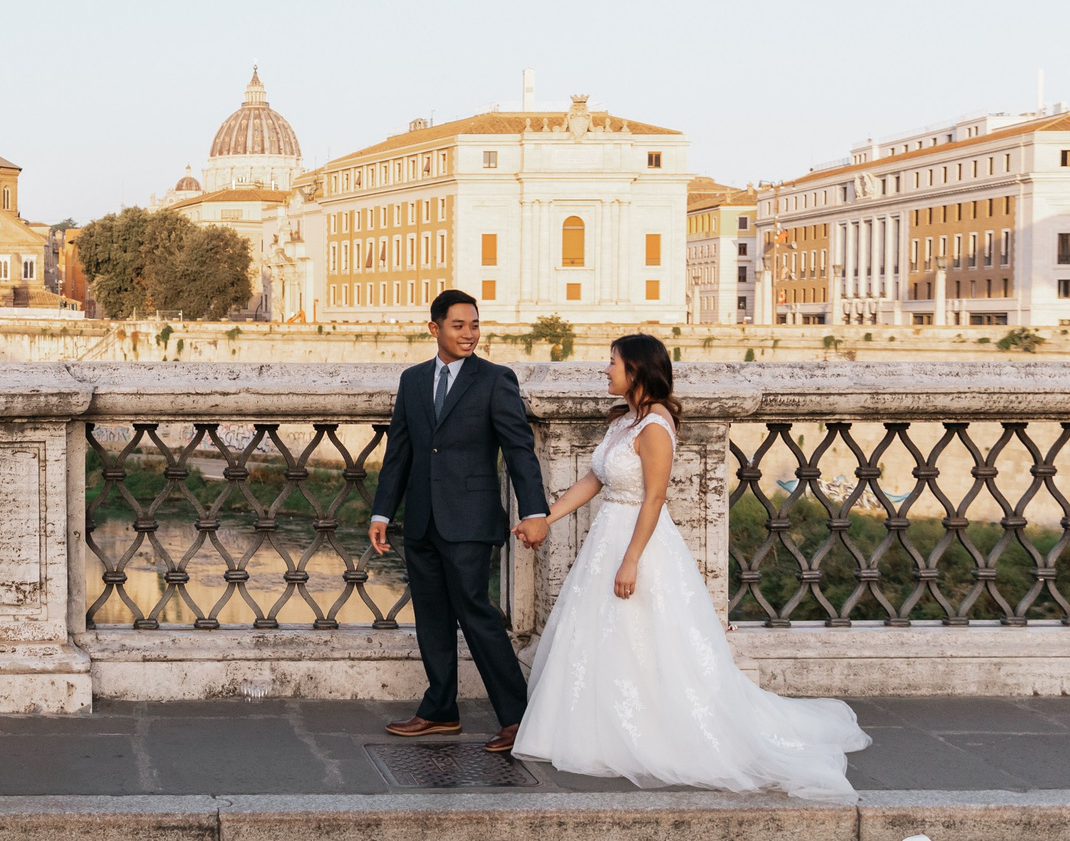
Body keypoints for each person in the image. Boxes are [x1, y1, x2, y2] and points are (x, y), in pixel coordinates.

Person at [514, 333, 871, 798]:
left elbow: (655, 499)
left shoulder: (656, 427)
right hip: (606, 538)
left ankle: (651, 730)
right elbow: (593, 480)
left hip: (638, 541)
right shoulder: (624, 420)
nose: (606, 369)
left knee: (648, 638)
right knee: (602, 636)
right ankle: (596, 728)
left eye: (613, 362)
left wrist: (631, 560)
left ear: (637, 371)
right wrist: (543, 518)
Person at [368, 289, 549, 751]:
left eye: (474, 325)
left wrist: (534, 512)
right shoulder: (411, 381)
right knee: (431, 615)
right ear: (434, 329)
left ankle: (516, 717)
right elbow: (400, 452)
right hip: (422, 518)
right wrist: (382, 511)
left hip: (470, 517)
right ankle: (440, 711)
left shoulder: (495, 379)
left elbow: (518, 450)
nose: (469, 334)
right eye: (458, 326)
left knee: (476, 611)